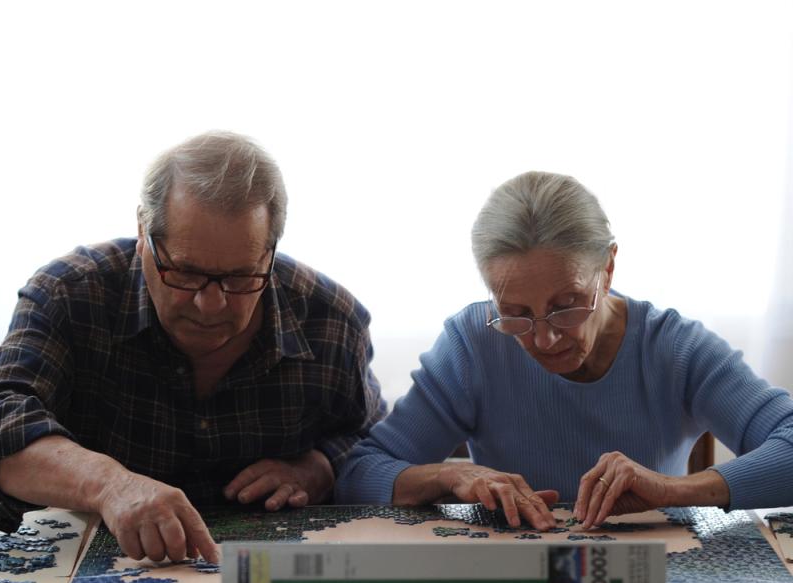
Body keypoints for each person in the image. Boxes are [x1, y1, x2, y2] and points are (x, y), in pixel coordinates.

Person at [0, 131, 385, 562]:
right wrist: (109, 484)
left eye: (240, 277)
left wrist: (321, 467)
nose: (211, 304)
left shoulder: (330, 319)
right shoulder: (69, 294)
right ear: (144, 233)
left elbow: (374, 439)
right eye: (185, 273)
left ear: (270, 251)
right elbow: (3, 417)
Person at [335, 171, 793, 528]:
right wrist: (450, 475)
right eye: (515, 312)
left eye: (566, 306)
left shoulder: (673, 349)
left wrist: (672, 490)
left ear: (607, 269)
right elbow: (360, 474)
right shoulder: (474, 344)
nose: (543, 338)